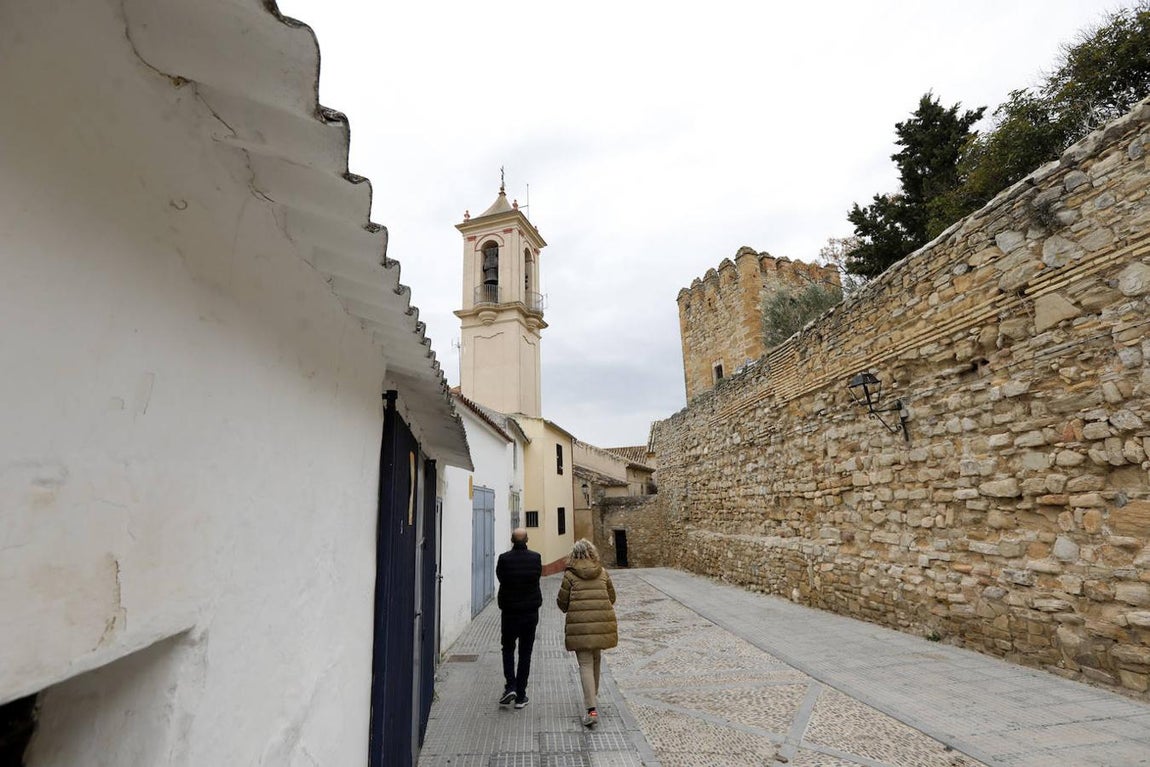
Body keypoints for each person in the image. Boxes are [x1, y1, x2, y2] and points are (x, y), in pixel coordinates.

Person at [556, 538, 617, 728]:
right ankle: (593, 698)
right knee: (596, 659)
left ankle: (591, 708)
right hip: (600, 626)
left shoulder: (570, 576)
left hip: (580, 628)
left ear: (574, 554)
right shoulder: (603, 572)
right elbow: (612, 598)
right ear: (592, 553)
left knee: (585, 664)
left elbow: (562, 603)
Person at [495, 527, 542, 709]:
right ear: (527, 539)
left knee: (507, 649)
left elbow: (501, 578)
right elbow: (536, 577)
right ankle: (521, 695)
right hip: (530, 613)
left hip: (509, 612)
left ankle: (510, 686)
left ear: (512, 540)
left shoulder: (504, 559)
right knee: (525, 653)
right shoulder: (535, 558)